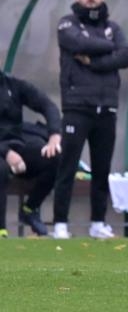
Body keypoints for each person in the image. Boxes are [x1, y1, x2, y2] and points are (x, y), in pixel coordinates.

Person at [52, 0, 128, 239]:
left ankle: (98, 222)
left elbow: (126, 55)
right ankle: (60, 223)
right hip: (77, 106)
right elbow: (78, 43)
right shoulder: (67, 23)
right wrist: (109, 51)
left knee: (102, 168)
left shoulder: (112, 27)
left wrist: (92, 62)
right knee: (68, 165)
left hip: (106, 107)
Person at [0, 72, 62, 238]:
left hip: (17, 143)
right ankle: (1, 230)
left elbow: (48, 105)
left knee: (54, 157)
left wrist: (55, 135)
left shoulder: (14, 84)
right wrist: (6, 152)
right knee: (1, 169)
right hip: (3, 151)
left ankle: (29, 209)